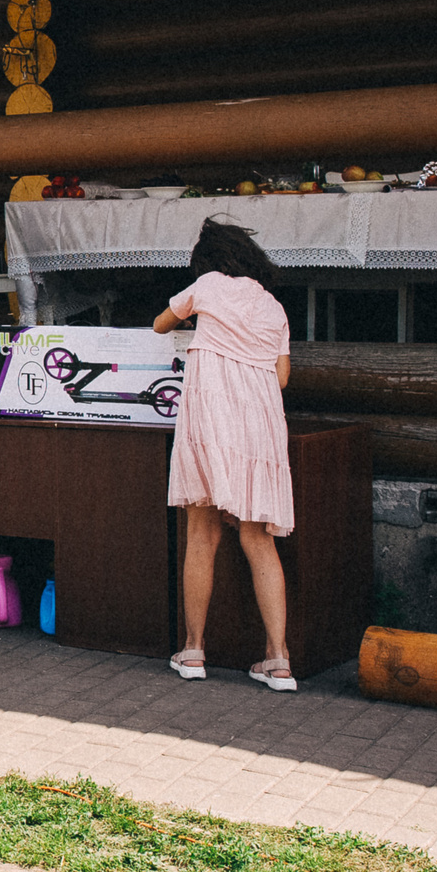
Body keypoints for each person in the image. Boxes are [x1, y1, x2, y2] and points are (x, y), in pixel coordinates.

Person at [153, 216, 297, 691]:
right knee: (259, 540)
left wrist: (196, 318)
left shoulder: (207, 285)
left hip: (212, 422)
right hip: (259, 429)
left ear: (209, 260)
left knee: (202, 533)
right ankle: (278, 660)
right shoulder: (273, 306)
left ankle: (193, 650)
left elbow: (160, 325)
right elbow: (281, 377)